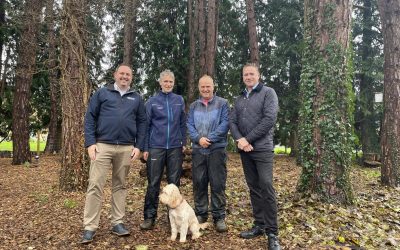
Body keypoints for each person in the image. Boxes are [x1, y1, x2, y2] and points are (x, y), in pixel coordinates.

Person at [81, 64, 147, 244]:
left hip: (126, 148)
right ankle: (90, 227)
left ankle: (117, 222)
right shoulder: (102, 93)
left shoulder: (137, 98)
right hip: (102, 146)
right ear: (115, 75)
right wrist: (90, 143)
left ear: (131, 77)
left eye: (128, 74)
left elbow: (142, 123)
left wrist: (138, 146)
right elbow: (90, 118)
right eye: (122, 74)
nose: (125, 77)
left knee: (120, 186)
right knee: (95, 185)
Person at [229, 63, 280, 250]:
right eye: (245, 74)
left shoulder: (268, 93)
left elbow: (269, 119)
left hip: (262, 149)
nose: (248, 77)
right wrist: (240, 140)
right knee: (254, 188)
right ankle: (259, 224)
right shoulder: (239, 98)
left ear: (258, 75)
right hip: (245, 151)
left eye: (251, 74)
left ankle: (272, 232)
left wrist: (247, 139)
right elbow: (232, 121)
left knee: (266, 186)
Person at [140, 69, 186, 230]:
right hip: (156, 147)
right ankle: (149, 217)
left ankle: (173, 219)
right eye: (165, 81)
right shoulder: (152, 101)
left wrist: (183, 142)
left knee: (174, 184)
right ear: (160, 83)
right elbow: (145, 126)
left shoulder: (179, 100)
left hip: (174, 147)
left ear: (173, 84)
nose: (168, 84)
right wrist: (145, 147)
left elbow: (182, 123)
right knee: (153, 183)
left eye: (170, 82)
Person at [187, 75, 230, 233]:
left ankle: (219, 217)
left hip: (217, 149)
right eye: (203, 87)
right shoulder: (193, 106)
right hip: (198, 150)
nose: (205, 89)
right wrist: (198, 139)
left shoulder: (223, 103)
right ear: (199, 87)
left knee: (218, 183)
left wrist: (209, 139)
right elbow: (189, 124)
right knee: (199, 182)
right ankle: (201, 214)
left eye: (208, 86)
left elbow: (225, 124)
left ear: (213, 87)